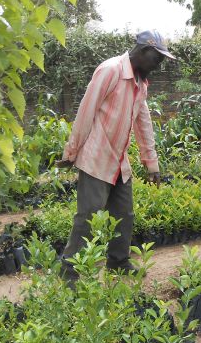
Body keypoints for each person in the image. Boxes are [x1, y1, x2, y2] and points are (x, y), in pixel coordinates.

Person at [56, 30, 174, 280]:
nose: (158, 65)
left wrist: (151, 162)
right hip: (96, 158)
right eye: (157, 59)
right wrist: (72, 151)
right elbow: (86, 112)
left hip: (119, 161)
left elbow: (143, 121)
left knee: (124, 214)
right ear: (143, 51)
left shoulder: (140, 82)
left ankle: (118, 262)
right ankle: (69, 272)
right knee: (87, 217)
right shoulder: (110, 71)